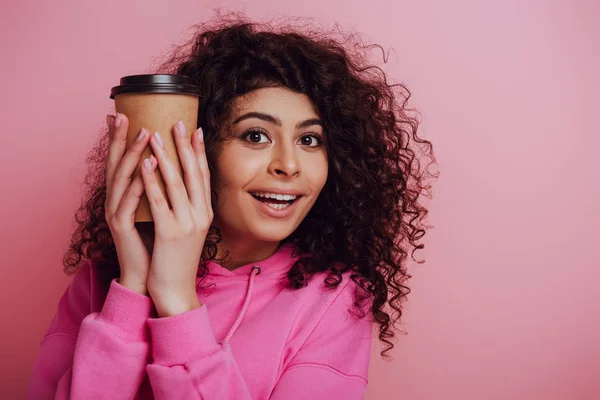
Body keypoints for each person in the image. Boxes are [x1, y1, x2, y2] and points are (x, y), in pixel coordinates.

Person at [27, 12, 436, 400]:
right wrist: (134, 286)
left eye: (310, 140)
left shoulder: (334, 300)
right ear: (198, 150)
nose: (289, 166)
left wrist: (176, 298)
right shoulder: (103, 281)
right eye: (256, 136)